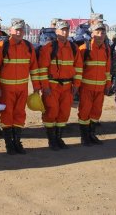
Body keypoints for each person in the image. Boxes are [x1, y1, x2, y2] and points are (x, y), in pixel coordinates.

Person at [0, 18, 40, 155]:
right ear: (11, 30)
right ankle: (9, 144)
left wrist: (36, 86)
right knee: (7, 115)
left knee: (19, 115)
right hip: (6, 89)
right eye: (16, 29)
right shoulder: (2, 46)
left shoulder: (29, 47)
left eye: (21, 30)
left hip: (22, 89)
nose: (19, 32)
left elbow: (34, 68)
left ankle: (17, 142)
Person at [38, 20, 83, 150]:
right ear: (56, 31)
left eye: (66, 30)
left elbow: (78, 68)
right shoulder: (49, 48)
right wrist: (45, 86)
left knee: (64, 113)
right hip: (52, 86)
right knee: (51, 112)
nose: (64, 32)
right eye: (62, 30)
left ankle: (59, 138)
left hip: (68, 86)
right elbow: (42, 69)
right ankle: (51, 140)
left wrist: (76, 85)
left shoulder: (74, 48)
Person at [77, 23, 111, 146]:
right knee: (84, 112)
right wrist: (76, 86)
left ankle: (92, 135)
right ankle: (84, 137)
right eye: (97, 32)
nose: (100, 35)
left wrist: (108, 85)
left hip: (100, 89)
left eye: (102, 33)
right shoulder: (83, 49)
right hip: (86, 88)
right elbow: (78, 69)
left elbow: (107, 69)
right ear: (92, 34)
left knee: (96, 112)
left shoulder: (106, 50)